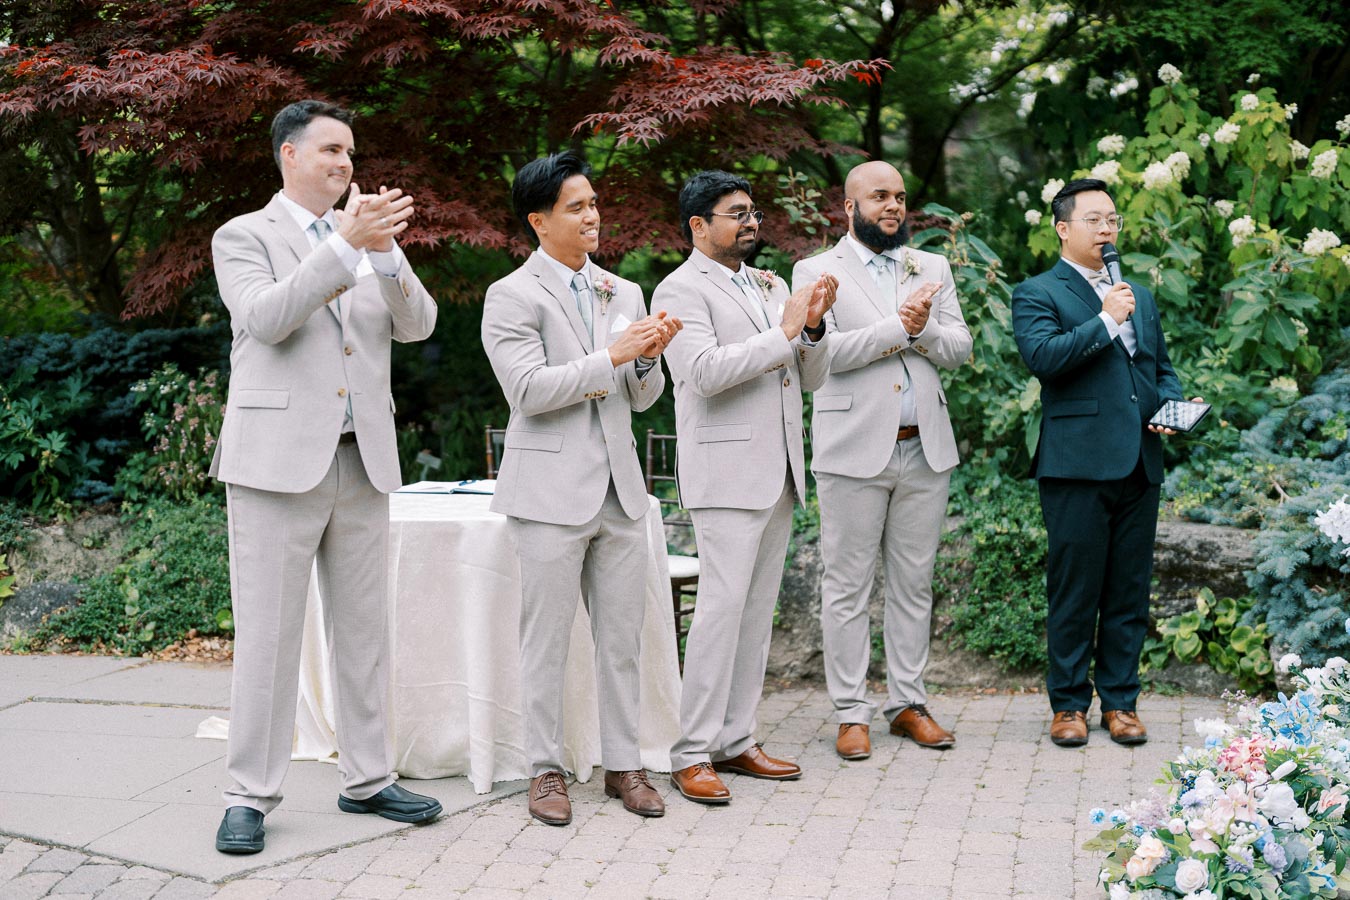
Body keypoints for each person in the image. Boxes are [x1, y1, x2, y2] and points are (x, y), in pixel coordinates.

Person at [209, 100, 441, 854]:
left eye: (351, 152)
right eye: (331, 150)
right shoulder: (243, 236)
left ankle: (368, 779)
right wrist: (345, 244)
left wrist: (385, 254)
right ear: (289, 156)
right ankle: (249, 793)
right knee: (269, 639)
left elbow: (419, 325)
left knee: (365, 635)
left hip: (361, 462)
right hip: (275, 467)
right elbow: (270, 317)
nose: (346, 164)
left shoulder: (367, 244)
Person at [480, 151, 681, 826]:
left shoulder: (623, 292)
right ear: (539, 220)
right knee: (547, 640)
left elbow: (643, 396)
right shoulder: (510, 295)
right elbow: (529, 392)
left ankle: (625, 764)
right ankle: (543, 768)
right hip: (546, 495)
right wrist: (614, 357)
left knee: (623, 638)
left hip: (621, 493)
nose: (594, 215)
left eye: (595, 203)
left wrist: (649, 357)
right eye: (577, 206)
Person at [655, 170, 837, 804]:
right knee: (719, 615)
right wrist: (785, 331)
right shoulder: (679, 288)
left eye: (753, 211)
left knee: (756, 617)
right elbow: (703, 374)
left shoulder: (771, 284)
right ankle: (690, 751)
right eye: (736, 212)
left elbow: (805, 377)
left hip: (780, 467)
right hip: (727, 474)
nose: (750, 220)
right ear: (698, 226)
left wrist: (810, 328)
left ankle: (737, 740)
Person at [792, 161, 972, 760]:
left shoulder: (932, 267)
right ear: (849, 207)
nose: (893, 206)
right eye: (879, 197)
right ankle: (850, 712)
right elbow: (823, 358)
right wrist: (901, 328)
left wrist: (918, 332)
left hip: (927, 448)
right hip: (852, 452)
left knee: (914, 584)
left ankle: (908, 703)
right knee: (846, 586)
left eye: (899, 196)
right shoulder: (816, 271)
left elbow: (961, 347)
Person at [1011, 177, 1189, 748]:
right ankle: (1067, 705)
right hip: (1076, 464)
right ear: (1063, 228)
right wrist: (1107, 319)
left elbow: (1159, 369)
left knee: (1128, 591)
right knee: (1075, 589)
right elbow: (1045, 359)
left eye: (1112, 218)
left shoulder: (1142, 293)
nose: (1107, 228)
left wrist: (1174, 408)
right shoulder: (1038, 292)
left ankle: (1121, 703)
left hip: (1141, 460)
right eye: (1094, 219)